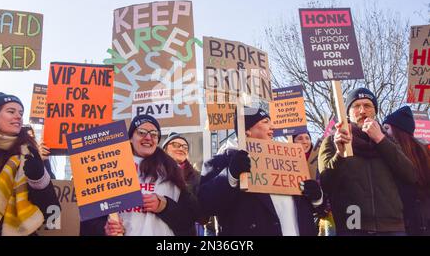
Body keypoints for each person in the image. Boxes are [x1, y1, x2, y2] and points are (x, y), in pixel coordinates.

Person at [198, 107, 323, 236]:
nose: (273, 127)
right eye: (265, 121)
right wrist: (230, 176)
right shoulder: (222, 161)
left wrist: (317, 198)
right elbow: (204, 206)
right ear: (246, 131)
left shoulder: (288, 161)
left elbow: (317, 210)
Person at [318, 87, 417, 236]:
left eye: (367, 106)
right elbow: (326, 182)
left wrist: (380, 140)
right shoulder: (332, 141)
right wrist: (340, 154)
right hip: (353, 225)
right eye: (356, 106)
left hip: (392, 227)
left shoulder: (388, 141)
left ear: (375, 111)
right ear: (348, 113)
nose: (362, 111)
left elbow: (410, 175)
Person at [81, 115, 197, 236]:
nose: (148, 137)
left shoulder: (171, 169)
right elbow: (88, 221)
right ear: (130, 138)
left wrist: (163, 206)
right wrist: (104, 229)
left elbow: (187, 220)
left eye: (154, 134)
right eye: (141, 132)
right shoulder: (108, 165)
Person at [0, 92, 59, 236]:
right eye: (11, 111)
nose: (18, 116)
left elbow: (53, 215)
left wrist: (38, 178)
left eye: (20, 113)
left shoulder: (29, 154)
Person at [383, 106, 430, 235]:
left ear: (399, 130)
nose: (383, 132)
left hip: (413, 223)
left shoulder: (425, 153)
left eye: (386, 128)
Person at [162, 132, 207, 235]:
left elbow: (203, 217)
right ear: (165, 149)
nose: (181, 148)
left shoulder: (197, 177)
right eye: (175, 145)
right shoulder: (154, 173)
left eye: (185, 146)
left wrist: (183, 187)